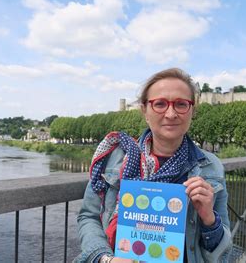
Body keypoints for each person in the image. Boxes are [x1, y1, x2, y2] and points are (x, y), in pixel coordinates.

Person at [75, 68, 232, 263]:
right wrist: (105, 259)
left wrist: (210, 220)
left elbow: (224, 251)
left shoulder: (211, 167)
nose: (171, 113)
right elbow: (88, 217)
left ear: (192, 111)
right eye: (160, 104)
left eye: (181, 104)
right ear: (144, 110)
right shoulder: (114, 158)